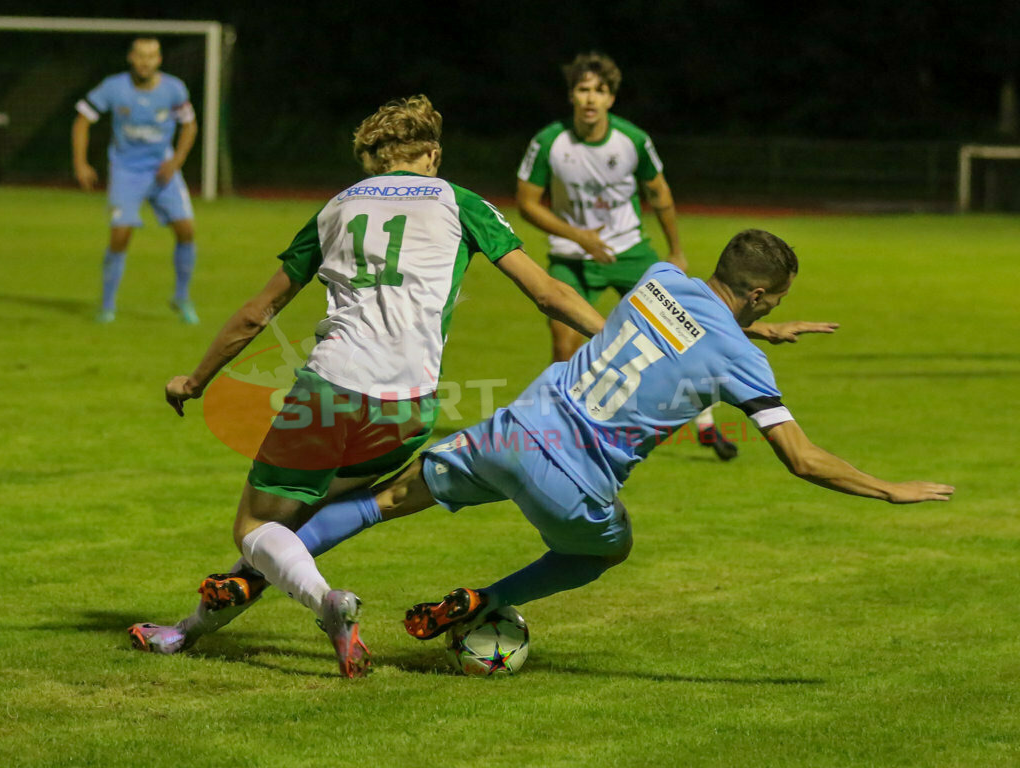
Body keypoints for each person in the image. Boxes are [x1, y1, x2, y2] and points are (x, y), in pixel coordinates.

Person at [135, 229, 953, 666]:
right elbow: (802, 459)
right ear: (767, 295)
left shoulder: (662, 281)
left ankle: (230, 594)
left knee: (374, 503)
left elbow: (683, 330)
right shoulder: (743, 356)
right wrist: (890, 489)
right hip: (569, 482)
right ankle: (481, 603)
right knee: (608, 548)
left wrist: (753, 328)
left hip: (503, 433)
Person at [127, 95, 605, 677]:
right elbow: (548, 294)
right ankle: (188, 630)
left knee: (256, 528)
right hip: (409, 410)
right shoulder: (462, 202)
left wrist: (195, 379)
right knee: (298, 527)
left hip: (331, 392)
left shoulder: (339, 205)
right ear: (431, 153)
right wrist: (616, 334)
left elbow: (259, 311)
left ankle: (328, 605)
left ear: (377, 160)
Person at [516, 52, 836, 461]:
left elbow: (660, 194)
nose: (591, 99)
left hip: (627, 249)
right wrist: (577, 235)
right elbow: (527, 204)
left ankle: (705, 425)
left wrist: (676, 250)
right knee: (565, 343)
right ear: (571, 95)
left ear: (612, 98)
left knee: (688, 327)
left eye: (600, 90)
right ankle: (563, 430)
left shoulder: (631, 140)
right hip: (572, 255)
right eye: (583, 89)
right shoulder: (549, 142)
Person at [72, 37, 199, 324]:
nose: (145, 61)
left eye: (151, 56)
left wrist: (176, 161)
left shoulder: (173, 88)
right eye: (140, 56)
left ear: (159, 60)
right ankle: (106, 306)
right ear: (131, 57)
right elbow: (82, 119)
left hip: (163, 170)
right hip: (126, 171)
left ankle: (181, 298)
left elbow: (189, 125)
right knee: (120, 236)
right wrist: (80, 163)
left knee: (186, 230)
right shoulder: (113, 87)